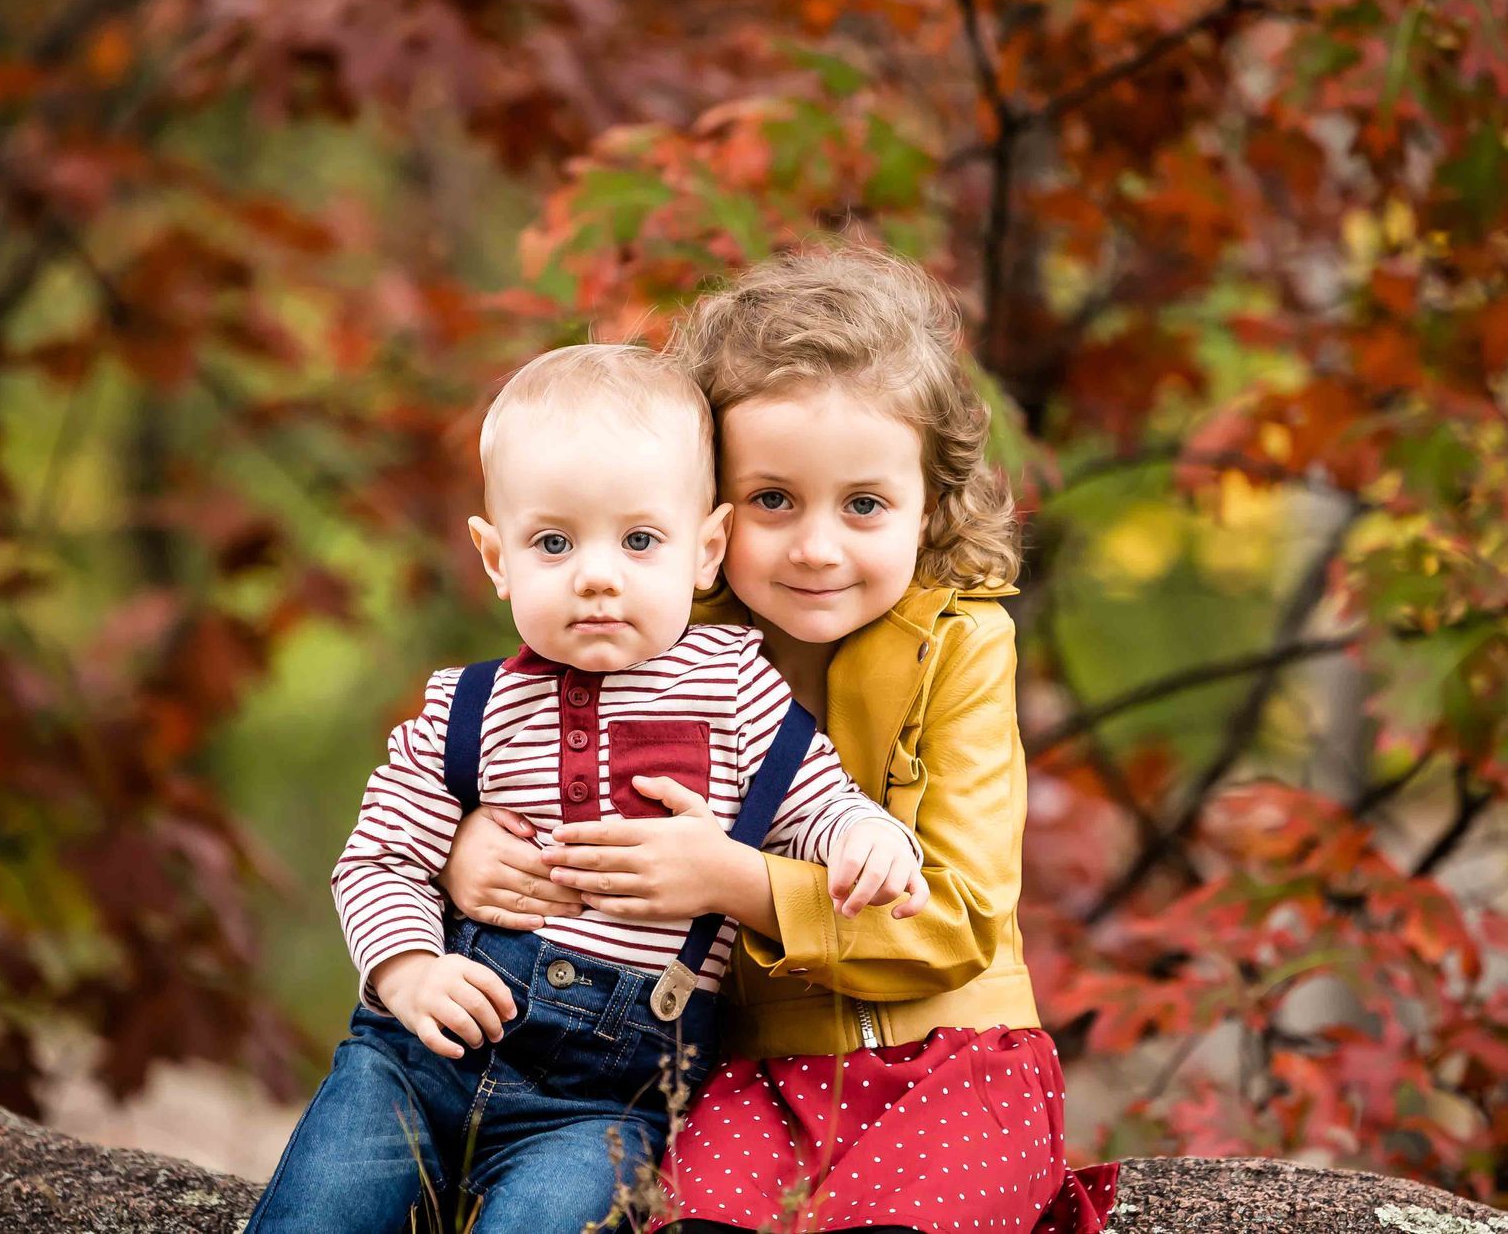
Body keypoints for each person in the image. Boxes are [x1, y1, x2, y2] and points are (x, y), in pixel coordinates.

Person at [439, 249, 1120, 1233]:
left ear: (929, 504)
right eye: (772, 500)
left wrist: (737, 884)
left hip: (953, 1060)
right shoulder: (656, 637)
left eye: (865, 505)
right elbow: (520, 776)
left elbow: (959, 916)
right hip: (744, 1071)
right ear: (708, 514)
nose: (816, 546)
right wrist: (470, 852)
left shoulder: (962, 646)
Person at [246, 342, 929, 1234]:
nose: (597, 574)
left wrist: (867, 839)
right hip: (419, 1062)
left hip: (601, 1101)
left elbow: (818, 802)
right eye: (553, 542)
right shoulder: (470, 708)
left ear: (705, 548)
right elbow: (379, 856)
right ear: (497, 556)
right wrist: (408, 970)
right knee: (320, 1213)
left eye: (640, 539)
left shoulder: (737, 694)